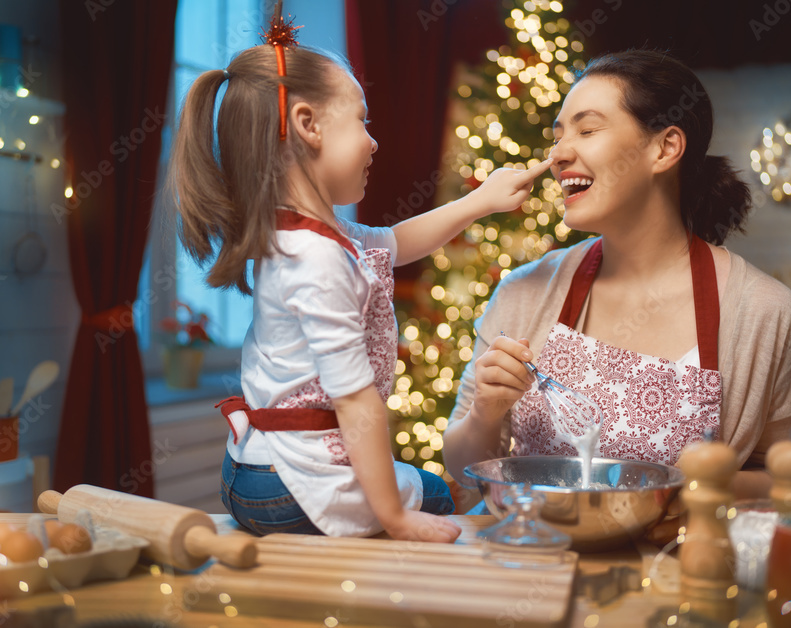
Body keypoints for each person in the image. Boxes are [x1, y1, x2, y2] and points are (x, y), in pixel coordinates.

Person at [169, 35, 551, 542]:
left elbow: (393, 241)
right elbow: (356, 403)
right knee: (444, 496)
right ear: (308, 125)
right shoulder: (319, 259)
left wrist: (480, 201)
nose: (373, 141)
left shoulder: (300, 233)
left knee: (425, 488)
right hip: (291, 486)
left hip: (251, 471)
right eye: (361, 120)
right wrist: (395, 517)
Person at [444, 50, 791, 503]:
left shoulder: (765, 312)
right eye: (558, 135)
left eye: (587, 130)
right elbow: (463, 469)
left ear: (665, 148)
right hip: (527, 563)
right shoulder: (524, 292)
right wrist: (485, 412)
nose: (560, 154)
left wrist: (671, 494)